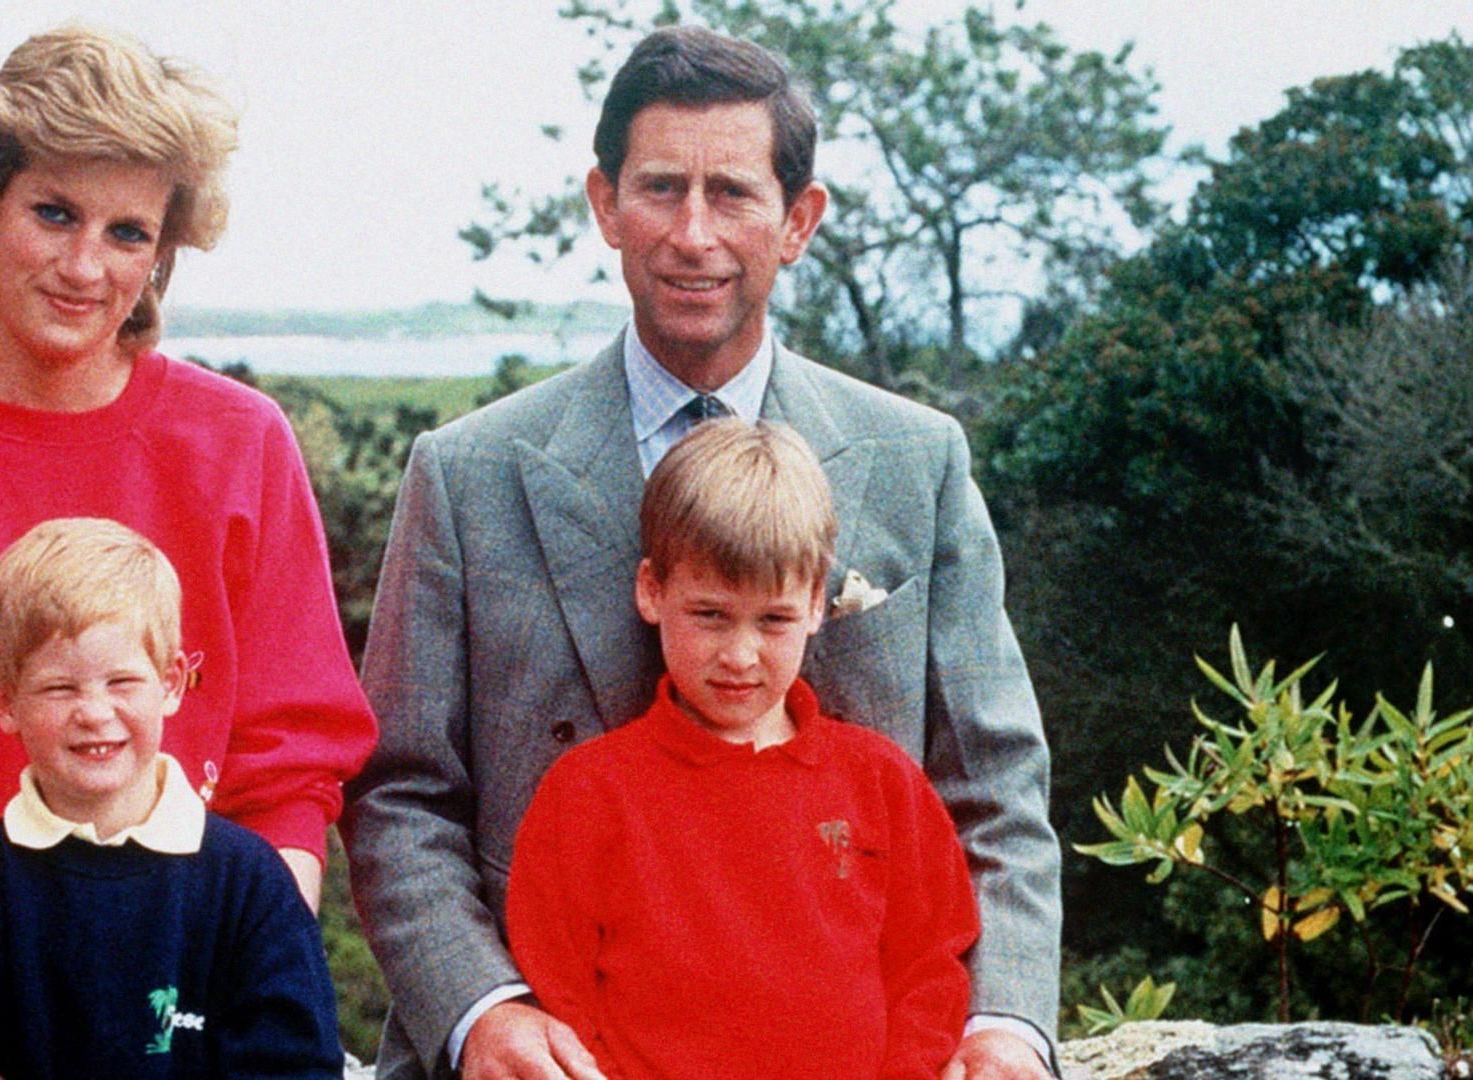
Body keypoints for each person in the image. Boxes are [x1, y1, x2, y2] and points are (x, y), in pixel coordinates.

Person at [344, 24, 1058, 1080]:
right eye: (660, 188)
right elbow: (398, 796)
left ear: (798, 220)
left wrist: (1003, 1025)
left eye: (730, 193)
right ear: (604, 204)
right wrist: (481, 1009)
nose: (691, 233)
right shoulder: (467, 472)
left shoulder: (920, 460)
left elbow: (995, 786)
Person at [0, 26, 374, 1077]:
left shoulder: (240, 446)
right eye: (54, 213)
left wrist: (222, 1001)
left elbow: (288, 778)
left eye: (129, 232)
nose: (87, 266)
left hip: (193, 1026)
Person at [505, 419, 979, 1079]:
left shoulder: (881, 782)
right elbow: (562, 994)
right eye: (710, 615)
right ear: (652, 591)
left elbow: (930, 967)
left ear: (815, 604)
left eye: (774, 619)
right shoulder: (588, 793)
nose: (739, 655)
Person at [0, 517, 341, 1079]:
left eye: (122, 682)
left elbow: (296, 1066)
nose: (94, 713)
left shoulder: (249, 885)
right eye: (59, 687)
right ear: (3, 702)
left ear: (171, 683)